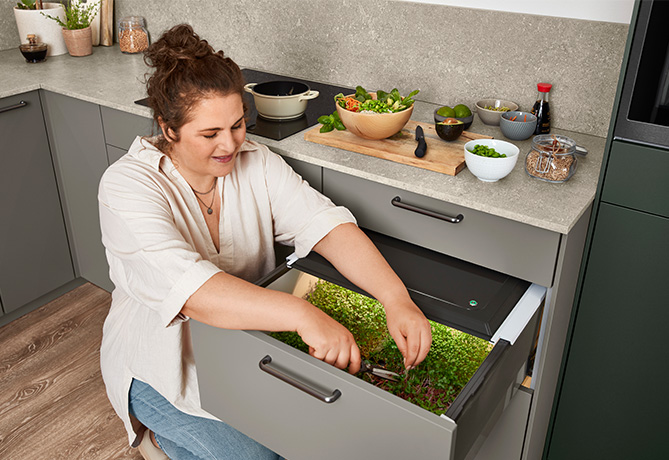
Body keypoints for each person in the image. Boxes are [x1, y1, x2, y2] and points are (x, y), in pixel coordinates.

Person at [98, 23, 432, 460]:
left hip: (242, 344)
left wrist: (396, 298)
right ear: (168, 127)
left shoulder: (256, 161)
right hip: (160, 365)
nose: (230, 144)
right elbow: (193, 292)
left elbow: (325, 224)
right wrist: (303, 315)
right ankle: (158, 438)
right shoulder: (126, 187)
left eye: (238, 125)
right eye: (210, 134)